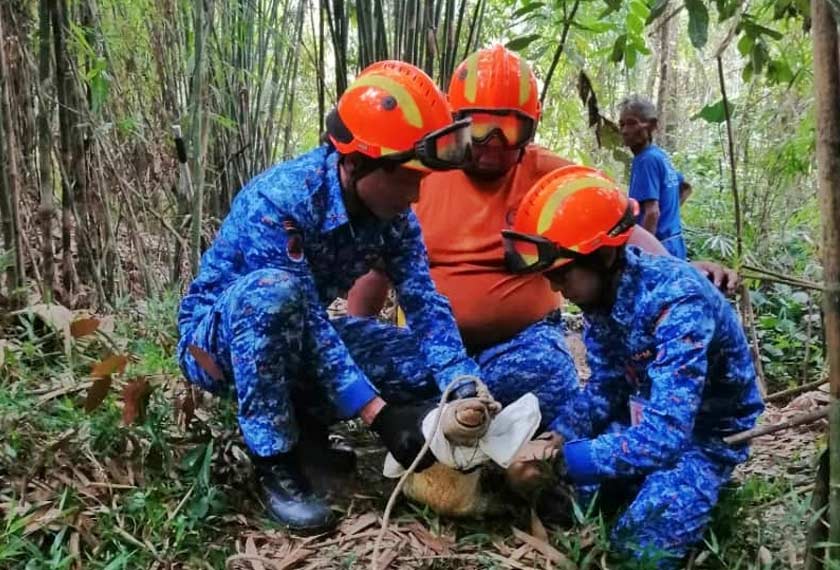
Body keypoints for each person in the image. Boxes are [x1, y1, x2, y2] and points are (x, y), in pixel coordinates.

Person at [349, 46, 736, 426]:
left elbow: (619, 230)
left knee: (545, 374)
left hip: (520, 346)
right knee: (335, 348)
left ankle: (441, 418)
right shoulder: (421, 172)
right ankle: (446, 415)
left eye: (510, 128)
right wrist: (361, 330)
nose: (492, 144)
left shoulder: (552, 176)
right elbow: (377, 268)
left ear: (531, 127)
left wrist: (679, 273)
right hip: (429, 347)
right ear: (457, 122)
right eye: (480, 127)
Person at [177, 61, 487, 534]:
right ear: (357, 163)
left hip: (299, 337)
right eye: (406, 178)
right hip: (218, 348)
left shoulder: (396, 221)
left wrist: (460, 382)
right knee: (274, 295)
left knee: (412, 358)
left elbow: (424, 302)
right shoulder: (283, 200)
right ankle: (276, 461)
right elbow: (302, 316)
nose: (417, 194)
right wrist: (378, 415)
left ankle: (310, 425)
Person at [502, 166, 764, 568]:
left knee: (637, 550)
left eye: (561, 274)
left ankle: (702, 484)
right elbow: (606, 387)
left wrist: (561, 460)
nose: (556, 289)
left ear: (604, 254)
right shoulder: (601, 298)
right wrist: (558, 436)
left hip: (708, 435)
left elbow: (667, 433)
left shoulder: (678, 302)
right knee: (573, 502)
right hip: (645, 417)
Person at [619, 95, 689, 259]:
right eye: (621, 124)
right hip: (674, 242)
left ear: (652, 125)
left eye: (632, 123)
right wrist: (670, 216)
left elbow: (652, 213)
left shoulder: (645, 160)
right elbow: (684, 187)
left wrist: (642, 254)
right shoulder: (660, 155)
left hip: (660, 246)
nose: (624, 130)